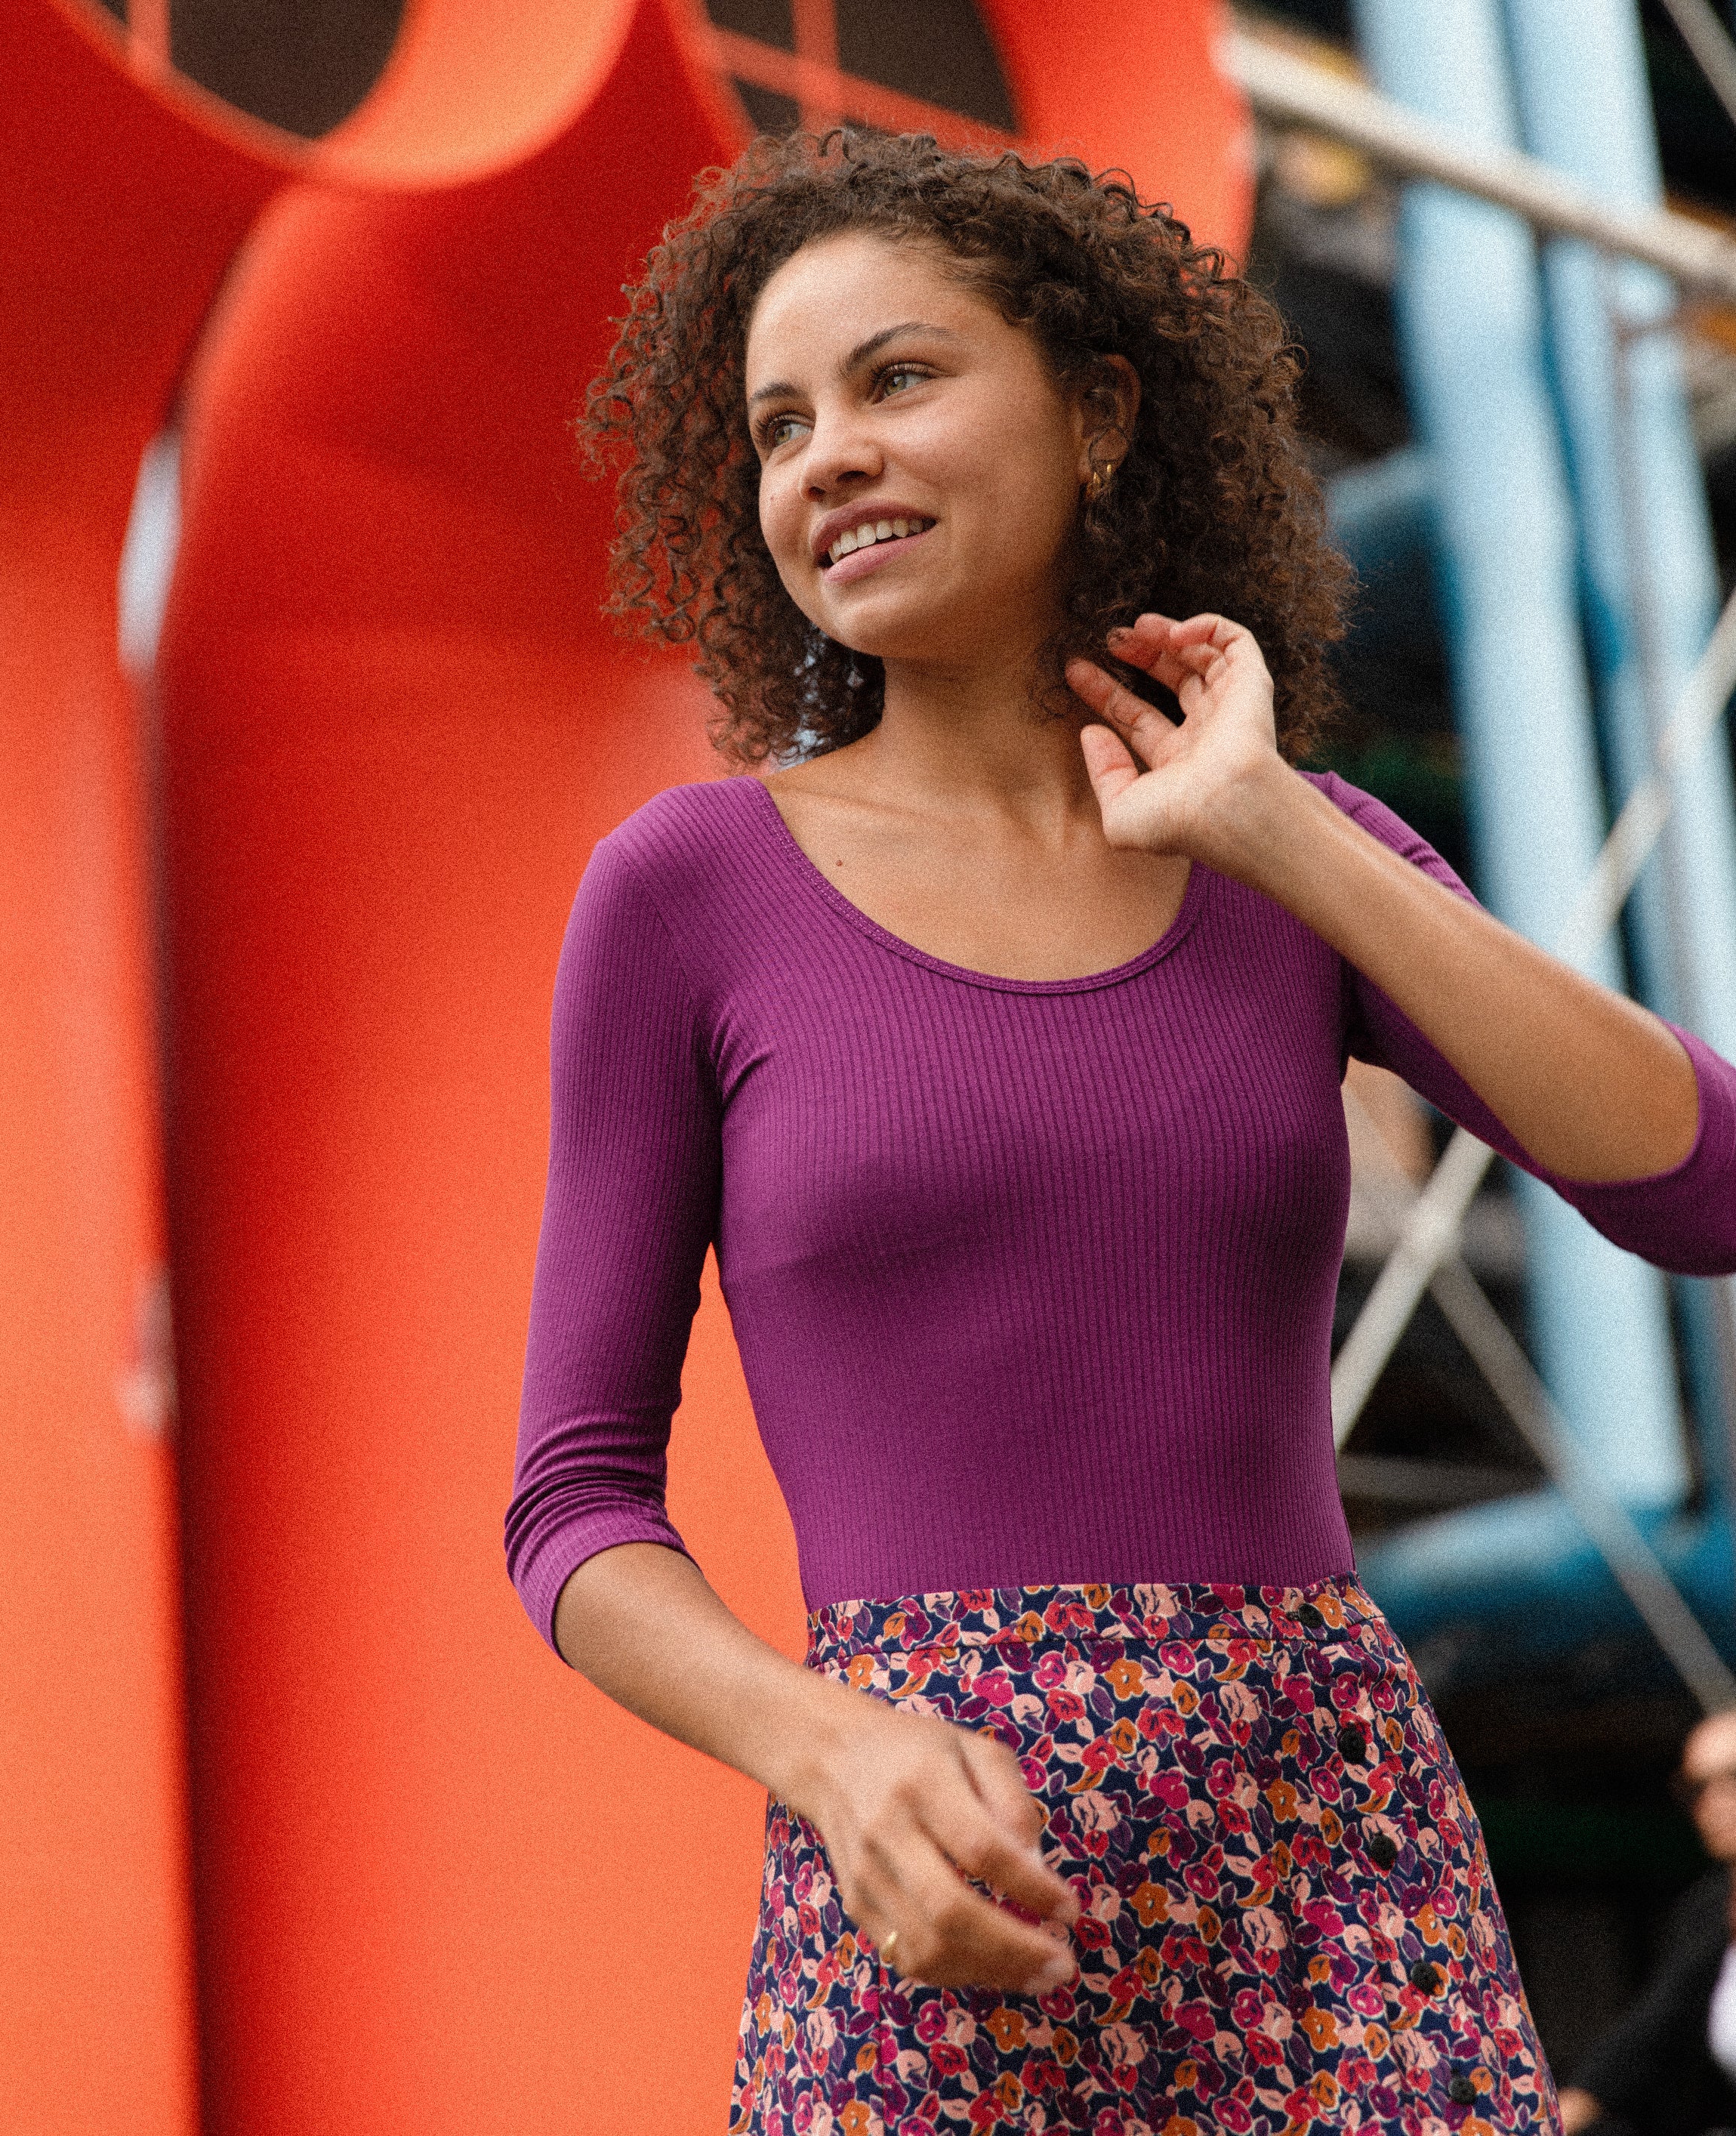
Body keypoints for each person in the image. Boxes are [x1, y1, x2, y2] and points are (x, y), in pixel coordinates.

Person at [504, 129, 1736, 2132]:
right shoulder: (687, 891)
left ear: (1095, 414)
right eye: (777, 421)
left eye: (896, 377)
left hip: (1328, 1852)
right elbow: (570, 1505)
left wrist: (1279, 833)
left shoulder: (1288, 851)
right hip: (938, 1868)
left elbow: (1699, 1181)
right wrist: (829, 1751)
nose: (823, 454)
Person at [1558, 1711, 1736, 2136]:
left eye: (1730, 1777)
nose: (1709, 1802)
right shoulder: (1708, 1907)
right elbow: (1650, 2032)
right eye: (1694, 1788)